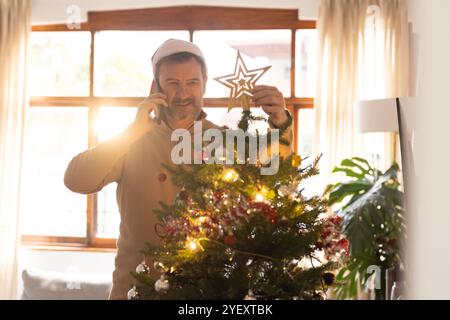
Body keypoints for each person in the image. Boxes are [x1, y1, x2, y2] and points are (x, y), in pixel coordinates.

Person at [64, 39, 293, 299]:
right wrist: (133, 131)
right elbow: (76, 179)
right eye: (173, 83)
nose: (183, 94)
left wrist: (281, 124)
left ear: (204, 84)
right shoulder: (131, 140)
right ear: (156, 87)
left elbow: (276, 178)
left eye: (192, 82)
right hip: (135, 290)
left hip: (206, 294)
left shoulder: (225, 140)